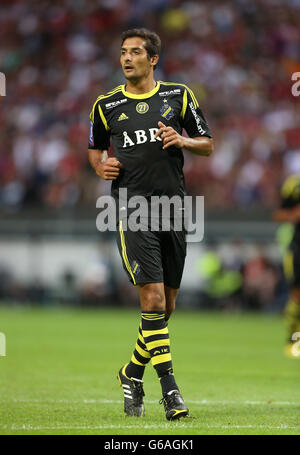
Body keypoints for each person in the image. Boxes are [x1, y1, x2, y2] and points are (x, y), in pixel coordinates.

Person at [88, 28, 213, 420]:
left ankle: (131, 371)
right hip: (131, 209)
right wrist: (100, 165)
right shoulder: (106, 105)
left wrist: (183, 140)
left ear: (153, 59)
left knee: (166, 307)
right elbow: (95, 149)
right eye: (123, 52)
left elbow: (207, 143)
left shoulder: (178, 96)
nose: (127, 58)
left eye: (136, 52)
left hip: (175, 209)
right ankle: (171, 392)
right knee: (153, 301)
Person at [273, 174, 300, 358]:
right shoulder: (293, 185)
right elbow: (279, 214)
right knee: (297, 296)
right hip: (298, 248)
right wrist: (294, 215)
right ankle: (294, 340)